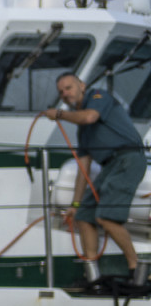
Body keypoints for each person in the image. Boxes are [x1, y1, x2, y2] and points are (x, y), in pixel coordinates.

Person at [43, 72, 146, 276]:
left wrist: (60, 114)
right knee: (83, 216)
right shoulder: (83, 132)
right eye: (61, 92)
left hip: (128, 158)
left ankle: (137, 270)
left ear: (82, 85)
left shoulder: (98, 96)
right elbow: (84, 170)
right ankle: (92, 275)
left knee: (106, 217)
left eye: (69, 88)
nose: (64, 94)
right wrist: (75, 205)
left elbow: (90, 116)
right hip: (111, 166)